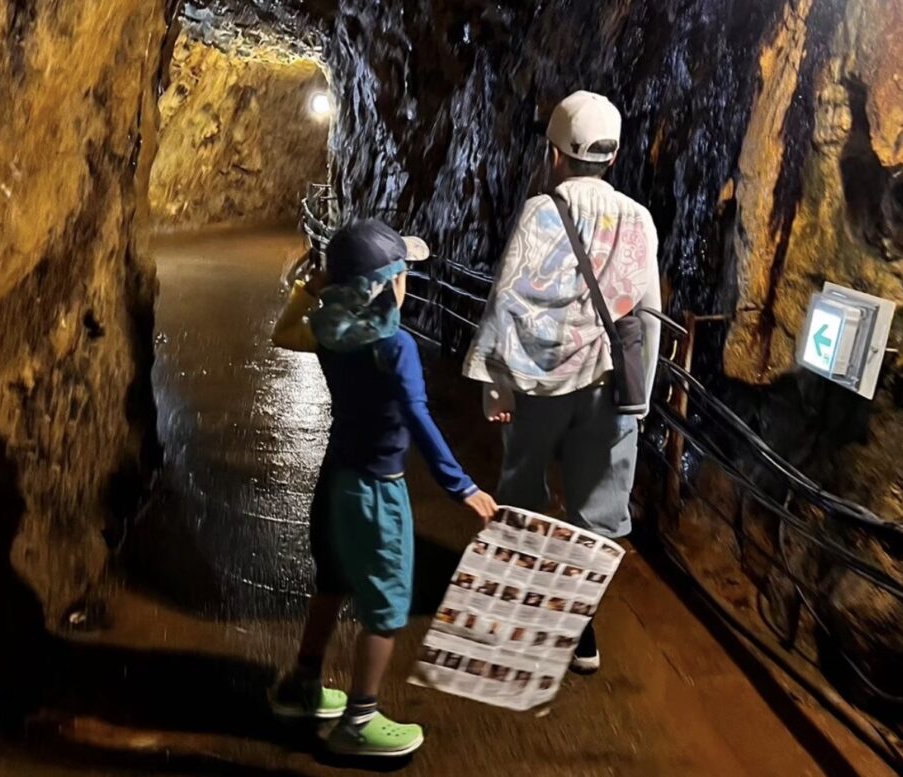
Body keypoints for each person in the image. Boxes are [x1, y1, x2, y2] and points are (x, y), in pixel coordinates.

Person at [271, 219, 497, 757]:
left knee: (332, 578)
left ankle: (301, 684)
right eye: (402, 274)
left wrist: (312, 286)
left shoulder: (328, 332)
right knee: (388, 608)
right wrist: (460, 486)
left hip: (335, 477)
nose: (407, 283)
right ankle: (359, 721)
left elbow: (282, 333)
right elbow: (418, 419)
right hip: (376, 489)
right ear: (386, 284)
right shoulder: (396, 348)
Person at [462, 91, 661, 674]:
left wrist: (495, 383)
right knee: (596, 510)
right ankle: (577, 630)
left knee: (524, 491)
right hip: (610, 387)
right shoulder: (639, 219)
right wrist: (639, 394)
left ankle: (523, 610)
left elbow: (510, 299)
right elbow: (645, 313)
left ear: (555, 154)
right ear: (613, 156)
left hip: (542, 383)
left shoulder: (541, 211)